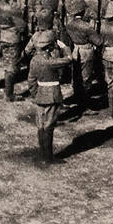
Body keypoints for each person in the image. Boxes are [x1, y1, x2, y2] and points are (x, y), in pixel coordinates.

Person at [28, 29, 72, 165]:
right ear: (50, 47)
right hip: (51, 95)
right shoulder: (51, 62)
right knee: (49, 126)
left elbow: (31, 80)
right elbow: (70, 59)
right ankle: (48, 158)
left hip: (40, 94)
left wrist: (36, 94)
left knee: (41, 125)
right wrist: (65, 47)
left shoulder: (34, 60)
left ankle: (43, 154)